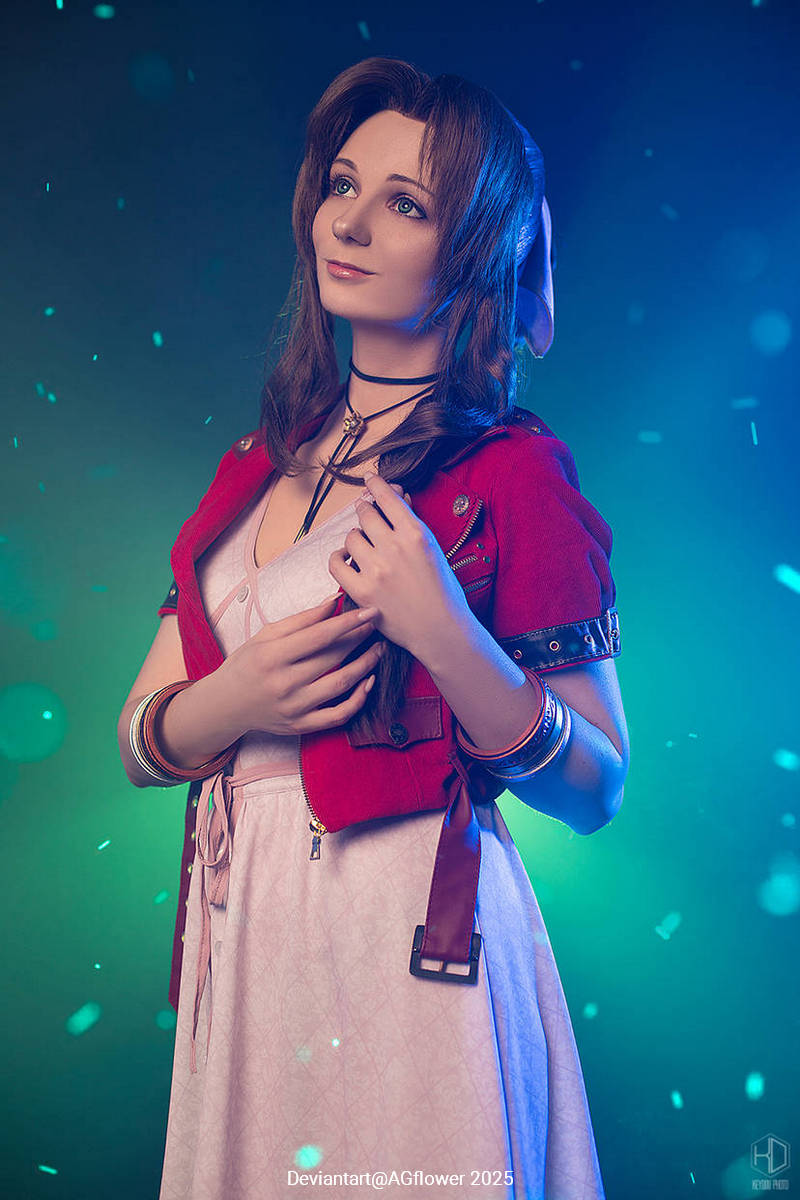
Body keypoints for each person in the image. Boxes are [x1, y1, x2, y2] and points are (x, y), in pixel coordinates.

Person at [117, 55, 629, 1200]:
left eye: (406, 202)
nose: (346, 222)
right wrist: (237, 699)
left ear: (481, 244)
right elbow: (140, 734)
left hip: (410, 945)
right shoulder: (252, 471)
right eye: (342, 184)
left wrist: (447, 634)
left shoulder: (511, 474)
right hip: (249, 941)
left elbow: (597, 788)